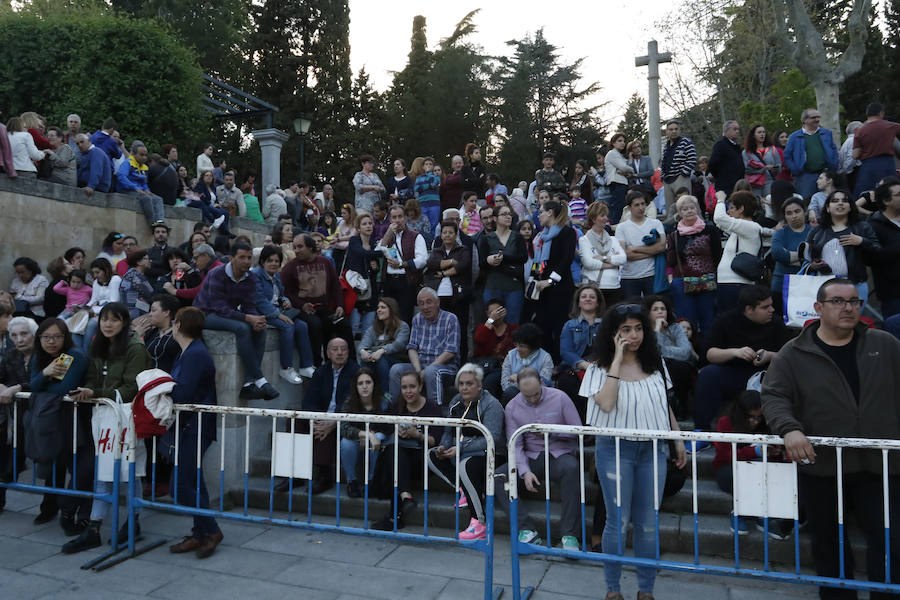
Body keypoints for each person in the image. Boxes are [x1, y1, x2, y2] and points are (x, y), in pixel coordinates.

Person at [762, 278, 900, 598]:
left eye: (854, 301)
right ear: (818, 308)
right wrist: (790, 429)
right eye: (838, 301)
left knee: (890, 543)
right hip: (822, 468)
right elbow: (773, 397)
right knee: (830, 547)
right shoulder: (793, 353)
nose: (848, 307)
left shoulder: (885, 344)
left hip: (881, 465)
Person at [579, 302, 686, 599]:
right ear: (612, 333)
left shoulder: (655, 362)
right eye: (626, 329)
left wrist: (676, 439)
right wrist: (616, 359)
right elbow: (608, 403)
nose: (634, 335)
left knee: (648, 523)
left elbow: (663, 404)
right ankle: (613, 589)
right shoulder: (597, 368)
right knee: (618, 521)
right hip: (614, 450)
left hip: (653, 450)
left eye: (638, 328)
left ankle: (646, 591)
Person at [62, 303, 150, 553]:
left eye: (114, 319)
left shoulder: (135, 347)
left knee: (130, 470)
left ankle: (133, 522)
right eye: (104, 319)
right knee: (104, 470)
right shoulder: (96, 344)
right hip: (103, 414)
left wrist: (97, 393)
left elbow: (132, 388)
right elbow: (91, 375)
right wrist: (89, 390)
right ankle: (95, 528)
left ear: (124, 322)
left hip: (126, 415)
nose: (107, 324)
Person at [494, 367, 584, 550]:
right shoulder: (512, 406)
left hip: (560, 453)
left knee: (572, 469)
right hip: (531, 455)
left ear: (542, 383)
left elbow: (578, 430)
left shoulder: (559, 397)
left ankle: (569, 535)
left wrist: (553, 432)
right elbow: (515, 444)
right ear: (519, 390)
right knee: (498, 477)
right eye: (527, 396)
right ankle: (526, 529)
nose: (533, 399)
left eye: (536, 394)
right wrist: (525, 471)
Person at [161, 307, 224, 558]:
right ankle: (201, 533)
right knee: (195, 483)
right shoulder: (189, 352)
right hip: (190, 424)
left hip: (196, 425)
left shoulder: (195, 354)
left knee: (180, 487)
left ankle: (211, 530)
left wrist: (159, 387)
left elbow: (183, 392)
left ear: (177, 325)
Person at [694, 285, 791, 432]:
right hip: (734, 373)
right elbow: (710, 354)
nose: (772, 310)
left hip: (766, 376)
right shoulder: (726, 320)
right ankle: (701, 432)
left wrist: (770, 355)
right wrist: (735, 352)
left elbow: (790, 357)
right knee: (708, 374)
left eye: (771, 305)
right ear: (748, 309)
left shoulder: (776, 323)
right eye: (765, 307)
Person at [427, 363, 504, 540]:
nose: (464, 387)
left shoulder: (492, 405)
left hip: (488, 454)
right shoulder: (456, 401)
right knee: (431, 455)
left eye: (469, 383)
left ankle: (480, 522)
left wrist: (460, 448)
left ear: (479, 385)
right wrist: (444, 446)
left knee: (465, 467)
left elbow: (492, 438)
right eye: (461, 383)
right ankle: (463, 488)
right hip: (459, 451)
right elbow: (448, 430)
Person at [193, 243, 279, 400]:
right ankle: (260, 379)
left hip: (226, 313)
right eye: (242, 257)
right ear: (232, 259)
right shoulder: (217, 274)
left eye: (249, 258)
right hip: (205, 314)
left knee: (260, 328)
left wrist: (256, 319)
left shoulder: (250, 278)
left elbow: (249, 306)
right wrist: (248, 318)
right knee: (242, 328)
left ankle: (248, 384)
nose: (247, 261)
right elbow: (219, 308)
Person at [29, 318, 91, 533]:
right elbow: (33, 386)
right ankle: (49, 508)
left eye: (57, 336)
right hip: (51, 419)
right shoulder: (40, 358)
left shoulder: (73, 356)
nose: (51, 341)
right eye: (46, 337)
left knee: (78, 469)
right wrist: (45, 374)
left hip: (76, 419)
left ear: (65, 337)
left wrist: (42, 380)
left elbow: (63, 388)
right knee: (54, 465)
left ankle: (74, 514)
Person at [714, 386, 790, 538]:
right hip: (729, 468)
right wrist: (754, 451)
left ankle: (761, 515)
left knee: (773, 474)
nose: (755, 422)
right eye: (751, 417)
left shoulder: (767, 424)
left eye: (759, 417)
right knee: (748, 476)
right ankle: (740, 513)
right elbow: (725, 455)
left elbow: (776, 456)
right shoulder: (725, 423)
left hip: (762, 468)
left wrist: (774, 452)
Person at [281, 233, 354, 365]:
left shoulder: (325, 262)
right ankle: (316, 364)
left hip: (325, 310)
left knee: (343, 324)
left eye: (300, 247)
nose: (296, 250)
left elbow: (335, 286)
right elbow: (285, 292)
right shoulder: (290, 267)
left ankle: (351, 364)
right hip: (304, 311)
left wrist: (339, 305)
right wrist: (302, 305)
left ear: (310, 248)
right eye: (294, 247)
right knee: (315, 325)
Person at [301, 337, 360, 494]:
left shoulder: (355, 371)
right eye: (335, 349)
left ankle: (324, 476)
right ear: (327, 353)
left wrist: (334, 420)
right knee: (293, 422)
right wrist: (314, 419)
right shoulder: (321, 371)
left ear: (348, 352)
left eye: (343, 349)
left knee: (327, 428)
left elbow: (353, 402)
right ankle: (294, 474)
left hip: (345, 419)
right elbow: (309, 400)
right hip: (322, 416)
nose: (339, 353)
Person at [802, 189, 880, 302]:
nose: (840, 203)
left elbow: (878, 251)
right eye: (835, 200)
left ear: (850, 206)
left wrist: (861, 241)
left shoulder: (862, 227)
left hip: (856, 284)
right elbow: (805, 257)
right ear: (828, 208)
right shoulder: (816, 231)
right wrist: (813, 266)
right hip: (823, 286)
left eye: (844, 200)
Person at [252, 245, 315, 383]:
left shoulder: (276, 277)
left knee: (302, 326)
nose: (273, 263)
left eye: (276, 261)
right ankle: (286, 368)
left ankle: (306, 365)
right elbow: (260, 301)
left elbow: (280, 295)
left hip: (278, 311)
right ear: (263, 261)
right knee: (287, 326)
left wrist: (285, 302)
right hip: (263, 313)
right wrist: (278, 314)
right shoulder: (256, 275)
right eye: (270, 260)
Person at [388, 288, 460, 408]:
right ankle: (396, 410)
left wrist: (426, 371)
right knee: (396, 369)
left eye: (429, 302)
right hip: (421, 366)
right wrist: (418, 371)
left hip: (446, 367)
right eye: (421, 303)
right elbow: (412, 348)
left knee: (431, 372)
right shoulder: (417, 319)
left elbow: (450, 351)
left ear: (438, 302)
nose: (425, 307)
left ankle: (435, 414)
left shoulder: (450, 319)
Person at [665, 194, 721, 338]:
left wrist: (715, 276)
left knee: (708, 321)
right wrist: (671, 280)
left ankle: (707, 352)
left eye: (692, 207)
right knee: (686, 323)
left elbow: (717, 255)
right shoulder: (674, 235)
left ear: (697, 209)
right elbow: (670, 260)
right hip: (683, 283)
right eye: (684, 209)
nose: (689, 211)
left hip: (707, 281)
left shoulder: (710, 230)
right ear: (679, 213)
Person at [714, 190, 774, 311]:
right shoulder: (743, 228)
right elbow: (719, 223)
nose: (728, 212)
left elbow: (719, 218)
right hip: (730, 283)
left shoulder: (748, 226)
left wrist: (720, 200)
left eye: (731, 208)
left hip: (737, 284)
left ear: (741, 209)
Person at [530, 201, 576, 359]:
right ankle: (547, 361)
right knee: (543, 325)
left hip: (560, 288)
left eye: (541, 211)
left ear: (550, 213)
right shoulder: (543, 235)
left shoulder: (567, 232)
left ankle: (560, 361)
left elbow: (566, 260)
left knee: (559, 327)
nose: (538, 215)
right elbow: (540, 263)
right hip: (542, 289)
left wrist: (550, 281)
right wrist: (535, 278)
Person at [0, 316, 37, 511]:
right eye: (14, 335)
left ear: (34, 334)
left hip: (39, 413)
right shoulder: (11, 355)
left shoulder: (45, 354)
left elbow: (42, 382)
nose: (19, 339)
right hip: (12, 415)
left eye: (24, 334)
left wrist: (15, 388)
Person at [339, 368, 391, 497]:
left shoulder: (384, 401)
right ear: (355, 386)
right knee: (346, 443)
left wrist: (372, 434)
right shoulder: (349, 402)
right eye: (360, 383)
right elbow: (343, 428)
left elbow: (388, 428)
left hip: (377, 445)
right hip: (357, 444)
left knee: (378, 436)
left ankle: (372, 480)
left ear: (374, 384)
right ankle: (352, 482)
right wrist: (365, 434)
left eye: (368, 382)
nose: (364, 387)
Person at [424, 219, 472, 359]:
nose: (447, 235)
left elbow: (462, 265)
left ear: (456, 234)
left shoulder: (463, 250)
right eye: (444, 232)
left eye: (451, 232)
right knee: (441, 330)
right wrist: (450, 262)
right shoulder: (437, 251)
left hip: (458, 296)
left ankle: (462, 360)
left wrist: (443, 272)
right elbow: (431, 263)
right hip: (439, 296)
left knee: (460, 329)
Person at [558, 284, 604, 422]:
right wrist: (583, 365)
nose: (587, 299)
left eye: (592, 297)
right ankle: (580, 426)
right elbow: (565, 352)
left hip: (601, 368)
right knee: (567, 382)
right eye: (583, 297)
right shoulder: (569, 325)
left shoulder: (607, 324)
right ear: (578, 302)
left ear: (598, 302)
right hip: (576, 368)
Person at [376, 204, 428, 323]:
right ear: (390, 219)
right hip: (388, 281)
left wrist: (401, 264)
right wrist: (388, 234)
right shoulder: (387, 236)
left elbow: (422, 260)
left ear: (405, 218)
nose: (397, 220)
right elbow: (377, 252)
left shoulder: (416, 236)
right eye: (394, 217)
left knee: (405, 316)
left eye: (400, 216)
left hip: (407, 281)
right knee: (388, 317)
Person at [644, 295, 694, 415]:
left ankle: (679, 404)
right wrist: (657, 331)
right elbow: (652, 354)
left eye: (663, 308)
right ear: (648, 313)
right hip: (653, 366)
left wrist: (663, 350)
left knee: (679, 366)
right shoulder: (643, 329)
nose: (660, 311)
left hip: (675, 368)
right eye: (655, 309)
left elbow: (686, 352)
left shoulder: (676, 328)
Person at [478, 204, 526, 325]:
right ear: (495, 218)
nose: (508, 217)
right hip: (493, 286)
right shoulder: (486, 238)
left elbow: (523, 258)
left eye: (509, 214)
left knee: (513, 323)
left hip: (514, 287)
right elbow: (481, 262)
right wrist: (489, 260)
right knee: (493, 323)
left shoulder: (518, 237)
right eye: (504, 214)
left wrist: (503, 258)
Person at [615, 191, 665, 299]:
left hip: (651, 275)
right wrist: (652, 252)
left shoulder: (656, 223)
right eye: (637, 205)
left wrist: (636, 248)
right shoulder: (621, 228)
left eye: (643, 204)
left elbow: (661, 247)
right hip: (629, 277)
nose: (641, 207)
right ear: (629, 208)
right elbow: (625, 254)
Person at [784, 108, 839, 199]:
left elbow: (834, 150)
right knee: (806, 201)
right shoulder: (794, 137)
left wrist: (833, 166)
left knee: (827, 200)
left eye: (818, 117)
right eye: (813, 117)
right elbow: (787, 156)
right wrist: (795, 170)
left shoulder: (826, 133)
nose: (817, 120)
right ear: (804, 120)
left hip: (825, 174)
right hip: (805, 176)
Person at [579, 201, 626, 307]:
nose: (606, 218)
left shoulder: (613, 240)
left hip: (614, 287)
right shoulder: (584, 240)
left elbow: (623, 259)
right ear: (594, 218)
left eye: (606, 215)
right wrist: (612, 263)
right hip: (594, 287)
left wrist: (603, 258)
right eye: (602, 215)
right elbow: (588, 263)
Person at [770, 199, 812, 315]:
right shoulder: (780, 233)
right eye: (789, 213)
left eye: (797, 211)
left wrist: (788, 256)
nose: (794, 216)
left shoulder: (814, 232)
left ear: (804, 211)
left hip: (807, 287)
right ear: (785, 216)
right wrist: (805, 258)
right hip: (781, 286)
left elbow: (817, 257)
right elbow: (777, 254)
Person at [359, 297, 410, 393]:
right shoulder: (373, 328)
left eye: (383, 307)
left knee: (380, 359)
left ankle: (385, 394)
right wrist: (363, 352)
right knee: (366, 360)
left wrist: (381, 351)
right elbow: (362, 345)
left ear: (391, 309)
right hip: (376, 359)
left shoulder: (402, 326)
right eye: (378, 308)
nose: (379, 310)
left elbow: (399, 345)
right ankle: (367, 394)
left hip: (397, 360)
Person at [345, 212, 382, 337]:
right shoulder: (354, 241)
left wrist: (376, 267)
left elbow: (375, 268)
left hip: (370, 292)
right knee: (353, 329)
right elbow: (362, 254)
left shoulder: (373, 244)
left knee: (368, 331)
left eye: (370, 223)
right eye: (364, 224)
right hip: (355, 291)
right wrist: (383, 252)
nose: (368, 226)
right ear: (358, 228)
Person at [852, 102, 900, 198]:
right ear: (881, 113)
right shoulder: (891, 126)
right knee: (892, 193)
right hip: (887, 164)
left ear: (867, 114)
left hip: (868, 166)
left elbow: (855, 155)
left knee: (865, 196)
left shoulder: (860, 131)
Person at [473, 298, 518, 398]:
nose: (496, 315)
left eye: (498, 312)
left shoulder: (514, 329)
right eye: (492, 313)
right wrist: (490, 320)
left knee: (491, 380)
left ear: (504, 312)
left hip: (506, 368)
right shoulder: (483, 328)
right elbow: (478, 339)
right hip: (486, 366)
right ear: (487, 314)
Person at [868, 181, 900, 318]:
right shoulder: (873, 226)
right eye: (899, 195)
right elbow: (872, 257)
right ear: (886, 201)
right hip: (892, 294)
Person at [500, 323, 553, 404]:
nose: (518, 349)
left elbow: (544, 384)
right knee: (510, 393)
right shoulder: (511, 355)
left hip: (537, 395)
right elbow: (505, 383)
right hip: (514, 394)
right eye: (516, 344)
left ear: (533, 346)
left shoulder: (545, 357)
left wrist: (519, 379)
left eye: (522, 346)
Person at [115, 141, 165, 228]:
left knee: (158, 199)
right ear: (134, 154)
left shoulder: (145, 167)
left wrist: (147, 190)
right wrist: (134, 187)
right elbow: (121, 177)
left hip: (140, 191)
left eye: (145, 155)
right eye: (141, 155)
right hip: (127, 190)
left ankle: (160, 222)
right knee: (147, 198)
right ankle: (152, 223)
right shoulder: (128, 163)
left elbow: (144, 183)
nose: (144, 158)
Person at [133, 294, 182, 373]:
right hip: (149, 380)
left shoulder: (178, 334)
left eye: (153, 310)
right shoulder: (151, 333)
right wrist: (136, 336)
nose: (150, 314)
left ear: (166, 312)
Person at [660, 120, 697, 224]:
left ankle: (690, 228)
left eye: (676, 129)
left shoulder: (686, 142)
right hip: (668, 180)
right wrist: (663, 176)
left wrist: (683, 173)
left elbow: (692, 159)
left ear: (680, 130)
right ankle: (673, 232)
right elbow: (663, 162)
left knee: (685, 205)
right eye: (671, 129)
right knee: (670, 208)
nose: (674, 131)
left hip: (681, 179)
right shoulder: (666, 146)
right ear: (667, 132)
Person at [743, 124, 782, 198]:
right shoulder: (746, 152)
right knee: (757, 205)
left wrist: (774, 169)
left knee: (769, 203)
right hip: (754, 184)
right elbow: (745, 169)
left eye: (764, 132)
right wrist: (763, 169)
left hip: (769, 182)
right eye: (759, 132)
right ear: (753, 135)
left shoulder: (772, 149)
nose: (762, 134)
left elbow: (779, 166)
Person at [708, 120, 745, 197]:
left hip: (738, 186)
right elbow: (712, 164)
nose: (737, 131)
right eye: (734, 129)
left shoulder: (737, 147)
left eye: (738, 129)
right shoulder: (721, 145)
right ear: (726, 131)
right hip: (726, 188)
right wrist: (720, 177)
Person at [604, 133, 635, 224]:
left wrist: (627, 170)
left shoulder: (619, 155)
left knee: (621, 207)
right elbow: (624, 167)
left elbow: (626, 168)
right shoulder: (612, 153)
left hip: (622, 184)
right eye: (619, 141)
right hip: (616, 183)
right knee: (618, 208)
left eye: (624, 141)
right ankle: (614, 228)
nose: (623, 143)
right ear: (613, 143)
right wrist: (631, 170)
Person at [119, 250, 154, 319]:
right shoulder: (137, 276)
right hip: (136, 311)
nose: (149, 261)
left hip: (127, 310)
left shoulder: (129, 274)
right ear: (139, 262)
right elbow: (150, 293)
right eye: (146, 259)